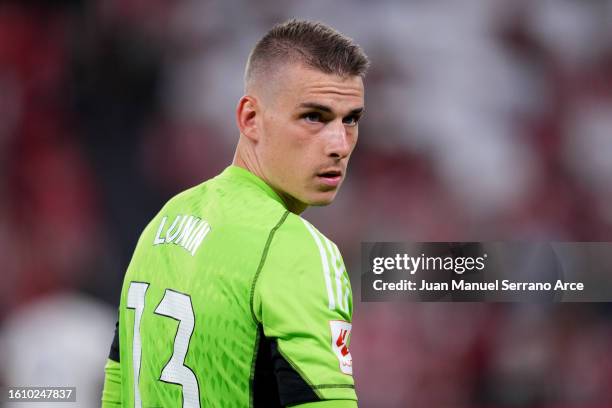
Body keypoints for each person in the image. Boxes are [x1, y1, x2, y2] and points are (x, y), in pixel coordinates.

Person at [102, 19, 368, 408]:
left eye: (351, 119)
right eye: (314, 117)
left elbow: (117, 387)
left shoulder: (164, 221)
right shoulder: (297, 249)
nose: (339, 145)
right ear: (250, 119)